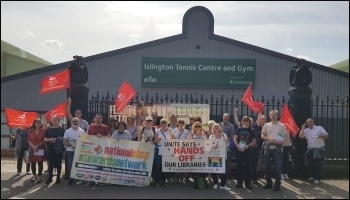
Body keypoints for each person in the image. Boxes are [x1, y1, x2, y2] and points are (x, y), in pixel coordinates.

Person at [261, 110, 288, 192]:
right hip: (267, 149)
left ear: (277, 116)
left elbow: (285, 137)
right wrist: (269, 139)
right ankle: (268, 183)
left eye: (274, 115)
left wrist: (282, 141)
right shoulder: (266, 125)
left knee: (278, 168)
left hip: (277, 149)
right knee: (267, 167)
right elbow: (262, 135)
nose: (273, 116)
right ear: (269, 116)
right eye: (271, 115)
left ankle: (277, 184)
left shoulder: (282, 125)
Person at [299, 118, 329, 184]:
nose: (309, 123)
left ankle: (317, 178)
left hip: (319, 150)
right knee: (311, 164)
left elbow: (327, 135)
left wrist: (321, 136)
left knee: (318, 165)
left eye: (310, 122)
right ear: (306, 123)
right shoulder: (306, 130)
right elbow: (301, 136)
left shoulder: (319, 128)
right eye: (308, 122)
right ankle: (313, 176)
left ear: (313, 122)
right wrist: (302, 128)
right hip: (310, 150)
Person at [85, 113, 109, 187]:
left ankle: (99, 180)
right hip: (92, 148)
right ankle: (91, 180)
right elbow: (88, 136)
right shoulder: (91, 127)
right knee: (91, 164)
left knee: (99, 165)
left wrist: (102, 136)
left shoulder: (105, 127)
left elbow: (108, 138)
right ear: (94, 119)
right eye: (97, 118)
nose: (98, 119)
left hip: (100, 149)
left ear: (102, 119)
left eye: (99, 118)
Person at [234, 116, 256, 190]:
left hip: (248, 151)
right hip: (239, 150)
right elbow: (235, 138)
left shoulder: (252, 130)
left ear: (249, 122)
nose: (246, 122)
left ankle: (247, 183)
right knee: (239, 166)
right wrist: (237, 146)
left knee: (248, 167)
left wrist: (248, 145)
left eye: (247, 121)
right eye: (244, 120)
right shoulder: (239, 129)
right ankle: (239, 182)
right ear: (242, 121)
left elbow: (254, 141)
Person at [63, 117, 85, 185]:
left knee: (79, 165)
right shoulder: (67, 131)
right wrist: (72, 145)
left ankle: (78, 177)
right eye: (74, 121)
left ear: (79, 122)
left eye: (76, 121)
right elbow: (64, 141)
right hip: (70, 151)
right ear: (71, 122)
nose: (75, 122)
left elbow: (84, 141)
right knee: (70, 165)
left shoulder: (82, 131)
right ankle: (71, 178)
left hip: (79, 151)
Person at [44, 116, 65, 184]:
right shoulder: (48, 129)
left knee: (59, 163)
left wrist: (57, 139)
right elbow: (44, 139)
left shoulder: (62, 129)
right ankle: (50, 178)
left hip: (58, 149)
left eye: (56, 120)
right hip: (50, 148)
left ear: (58, 121)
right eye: (53, 120)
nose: (54, 121)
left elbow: (64, 138)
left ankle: (58, 178)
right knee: (50, 163)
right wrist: (50, 139)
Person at [209, 123, 231, 191]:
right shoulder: (211, 137)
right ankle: (215, 183)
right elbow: (208, 147)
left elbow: (227, 145)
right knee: (214, 170)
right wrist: (213, 147)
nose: (216, 127)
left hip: (223, 155)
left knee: (224, 171)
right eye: (215, 126)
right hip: (214, 156)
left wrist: (227, 141)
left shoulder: (224, 135)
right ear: (213, 129)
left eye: (218, 126)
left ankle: (223, 185)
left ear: (220, 127)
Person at [154, 118, 173, 186]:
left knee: (165, 165)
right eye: (162, 122)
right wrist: (158, 139)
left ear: (167, 123)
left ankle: (164, 180)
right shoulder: (158, 131)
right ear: (160, 124)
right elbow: (154, 142)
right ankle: (158, 180)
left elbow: (173, 140)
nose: (163, 124)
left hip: (167, 150)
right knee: (158, 166)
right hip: (160, 149)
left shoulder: (170, 130)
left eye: (165, 122)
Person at [171, 118, 190, 183]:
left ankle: (182, 177)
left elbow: (188, 141)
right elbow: (171, 140)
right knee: (176, 164)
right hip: (175, 149)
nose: (181, 123)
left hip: (183, 150)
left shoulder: (187, 132)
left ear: (183, 124)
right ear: (177, 123)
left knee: (182, 164)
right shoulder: (173, 131)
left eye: (182, 122)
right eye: (179, 122)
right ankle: (176, 177)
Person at [27, 118, 46, 183]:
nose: (38, 124)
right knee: (33, 163)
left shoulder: (43, 130)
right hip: (32, 149)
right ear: (34, 124)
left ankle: (40, 176)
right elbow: (28, 140)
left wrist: (37, 146)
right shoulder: (30, 131)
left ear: (41, 124)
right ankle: (35, 175)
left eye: (39, 123)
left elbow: (44, 140)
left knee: (40, 163)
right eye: (36, 123)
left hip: (40, 148)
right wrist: (33, 146)